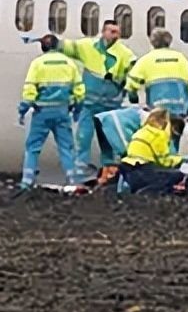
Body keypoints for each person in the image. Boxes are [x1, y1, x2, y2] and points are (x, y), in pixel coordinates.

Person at [59, 20, 135, 182]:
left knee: (108, 140)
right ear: (103, 32)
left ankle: (108, 173)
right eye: (112, 32)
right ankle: (80, 172)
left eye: (117, 32)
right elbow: (69, 47)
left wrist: (126, 84)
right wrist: (52, 43)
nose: (116, 36)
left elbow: (134, 69)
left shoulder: (124, 53)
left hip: (111, 104)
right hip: (90, 103)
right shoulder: (89, 47)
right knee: (83, 137)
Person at [18, 34, 84, 189]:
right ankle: (73, 180)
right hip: (62, 111)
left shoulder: (37, 64)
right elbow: (79, 91)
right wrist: (77, 110)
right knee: (66, 147)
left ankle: (27, 182)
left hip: (42, 112)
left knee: (33, 147)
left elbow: (29, 90)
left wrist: (23, 110)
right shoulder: (70, 64)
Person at [125, 28, 188, 126]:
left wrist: (133, 97)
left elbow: (131, 84)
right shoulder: (181, 58)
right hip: (179, 109)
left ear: (152, 42)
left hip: (157, 110)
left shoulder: (146, 59)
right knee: (176, 136)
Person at [119, 107, 187, 194]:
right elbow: (164, 161)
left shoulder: (141, 131)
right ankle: (148, 193)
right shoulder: (159, 135)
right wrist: (181, 160)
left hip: (128, 169)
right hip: (142, 168)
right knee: (177, 175)